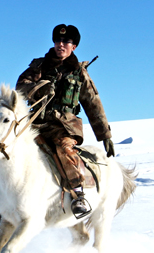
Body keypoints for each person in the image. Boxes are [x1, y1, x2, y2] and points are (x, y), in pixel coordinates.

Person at [16, 24, 115, 218]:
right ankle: (14, 200)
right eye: (58, 41)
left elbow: (93, 104)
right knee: (17, 151)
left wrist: (105, 135)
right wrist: (38, 87)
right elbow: (19, 87)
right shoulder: (38, 66)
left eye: (66, 42)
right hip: (37, 124)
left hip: (65, 127)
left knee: (64, 150)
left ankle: (78, 195)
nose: (61, 44)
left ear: (74, 47)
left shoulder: (79, 73)